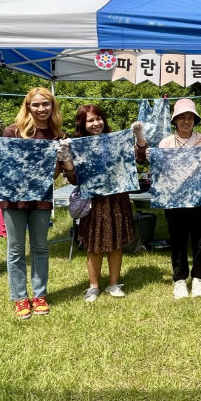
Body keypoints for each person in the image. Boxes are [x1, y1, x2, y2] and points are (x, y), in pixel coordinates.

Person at [0, 87, 64, 319]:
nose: (41, 109)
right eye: (35, 104)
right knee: (15, 250)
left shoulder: (57, 135)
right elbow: (1, 166)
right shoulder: (13, 132)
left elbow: (53, 176)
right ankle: (20, 298)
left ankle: (40, 295)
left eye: (46, 104)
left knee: (41, 248)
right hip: (12, 200)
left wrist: (61, 158)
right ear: (27, 107)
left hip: (41, 199)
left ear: (53, 106)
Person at [57, 104, 137, 303]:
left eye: (98, 118)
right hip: (92, 201)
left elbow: (131, 162)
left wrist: (137, 138)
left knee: (116, 242)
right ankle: (93, 286)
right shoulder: (76, 144)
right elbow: (74, 179)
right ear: (82, 124)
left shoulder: (115, 141)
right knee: (94, 244)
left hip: (116, 199)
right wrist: (67, 159)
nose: (96, 123)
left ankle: (113, 283)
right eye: (90, 120)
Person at [155, 98, 201, 300]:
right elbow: (160, 172)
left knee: (199, 240)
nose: (186, 121)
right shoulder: (166, 143)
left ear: (195, 120)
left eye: (190, 117)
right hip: (174, 200)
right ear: (175, 120)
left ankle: (198, 278)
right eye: (182, 117)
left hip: (199, 199)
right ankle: (179, 280)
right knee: (177, 240)